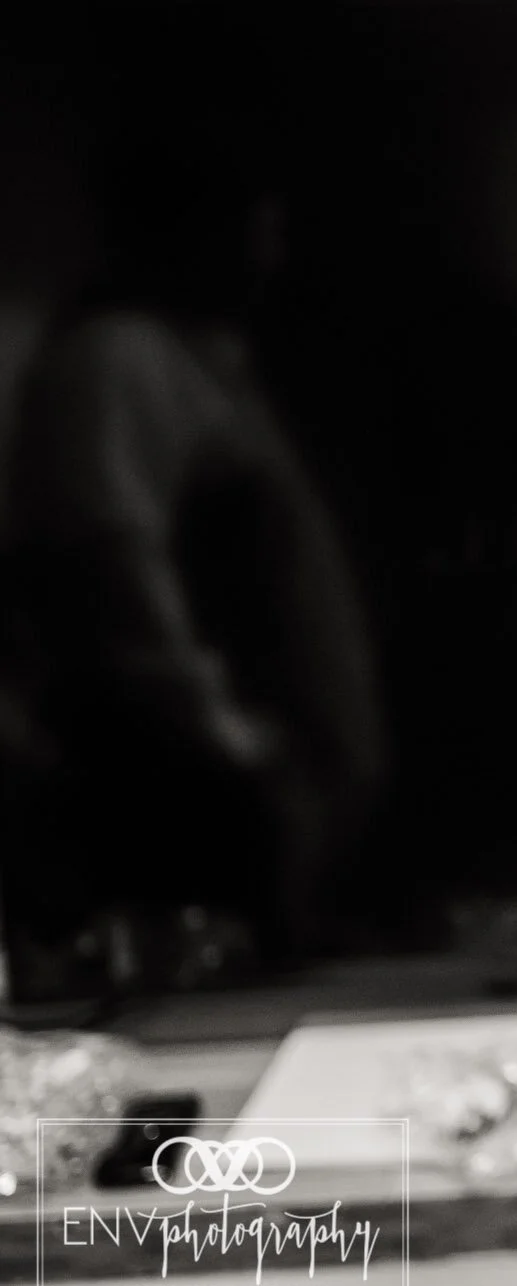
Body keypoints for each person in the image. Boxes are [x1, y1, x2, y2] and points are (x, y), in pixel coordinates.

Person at [0, 130, 385, 981]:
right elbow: (107, 560)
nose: (272, 255)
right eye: (256, 227)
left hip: (252, 792)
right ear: (191, 229)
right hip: (191, 799)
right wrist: (227, 738)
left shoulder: (197, 360)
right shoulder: (118, 356)